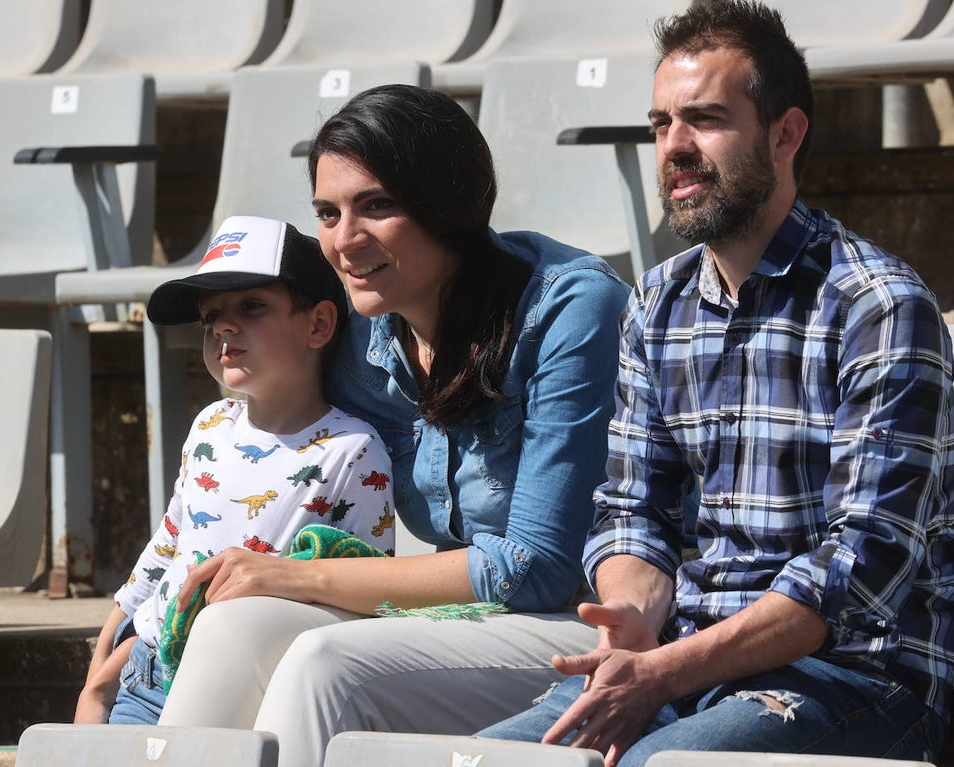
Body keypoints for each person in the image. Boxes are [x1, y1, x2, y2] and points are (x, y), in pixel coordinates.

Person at [477, 3, 954, 766]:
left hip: (857, 677)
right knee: (476, 761)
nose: (674, 147)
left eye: (703, 119)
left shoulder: (879, 305)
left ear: (785, 133)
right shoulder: (658, 300)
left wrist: (664, 669)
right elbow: (633, 507)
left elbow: (858, 570)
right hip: (686, 660)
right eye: (662, 122)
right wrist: (632, 612)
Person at [155, 84, 628, 766]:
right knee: (234, 621)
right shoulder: (359, 327)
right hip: (458, 620)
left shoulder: (568, 306)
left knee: (324, 660)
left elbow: (538, 566)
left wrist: (298, 575)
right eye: (327, 212)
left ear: (448, 204)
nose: (344, 241)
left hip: (581, 627)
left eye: (377, 206)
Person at [73, 214, 397, 725]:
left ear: (318, 325)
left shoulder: (353, 450)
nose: (223, 326)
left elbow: (363, 590)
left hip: (252, 683)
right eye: (210, 316)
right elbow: (169, 541)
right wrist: (102, 663)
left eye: (251, 307)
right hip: (145, 674)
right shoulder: (210, 425)